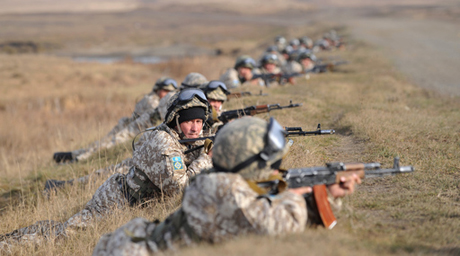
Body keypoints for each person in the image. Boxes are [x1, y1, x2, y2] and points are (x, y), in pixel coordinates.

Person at [91, 117, 361, 255]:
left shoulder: (224, 181)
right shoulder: (224, 190)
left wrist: (324, 194)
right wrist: (305, 194)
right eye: (269, 164)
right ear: (246, 161)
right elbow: (275, 224)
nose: (275, 171)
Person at [1, 89, 213, 246]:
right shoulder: (163, 143)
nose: (195, 128)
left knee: (63, 229)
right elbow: (181, 189)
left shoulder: (180, 135)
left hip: (128, 201)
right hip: (115, 202)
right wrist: (206, 158)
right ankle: (8, 243)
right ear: (176, 119)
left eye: (199, 121)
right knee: (62, 238)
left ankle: (18, 235)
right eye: (189, 122)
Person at [43, 73, 210, 193]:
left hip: (146, 156)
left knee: (105, 166)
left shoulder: (195, 112)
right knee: (106, 153)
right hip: (139, 130)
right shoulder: (172, 99)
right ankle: (72, 166)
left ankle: (71, 163)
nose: (195, 126)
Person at [53, 77, 178, 163]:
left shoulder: (151, 98)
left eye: (170, 91)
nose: (167, 94)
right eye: (165, 91)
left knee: (104, 144)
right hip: (132, 127)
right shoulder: (152, 100)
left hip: (130, 125)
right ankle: (77, 159)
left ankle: (75, 155)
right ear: (157, 90)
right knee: (107, 145)